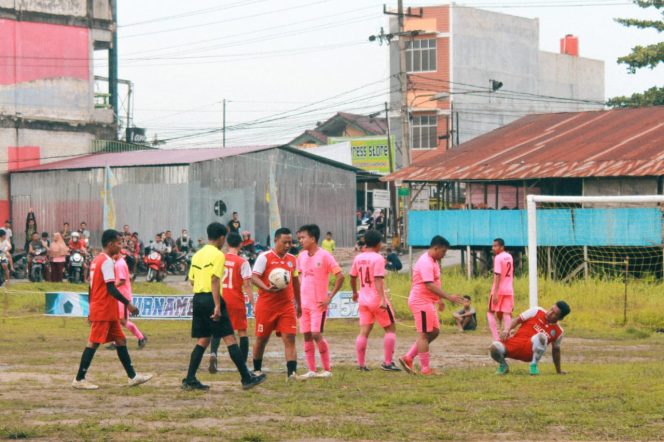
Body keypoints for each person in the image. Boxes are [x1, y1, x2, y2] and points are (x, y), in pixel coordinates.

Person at [183, 222, 265, 391]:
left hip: (198, 297)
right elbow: (214, 279)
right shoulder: (218, 255)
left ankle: (189, 378)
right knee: (229, 337)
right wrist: (217, 305)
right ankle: (246, 378)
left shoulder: (197, 254)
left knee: (204, 339)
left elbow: (191, 279)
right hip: (212, 299)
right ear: (221, 238)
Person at [71, 229, 153, 390]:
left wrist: (90, 308)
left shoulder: (96, 260)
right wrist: (128, 303)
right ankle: (79, 379)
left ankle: (133, 376)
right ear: (110, 244)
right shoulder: (107, 261)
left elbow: (91, 287)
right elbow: (111, 288)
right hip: (103, 308)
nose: (120, 246)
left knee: (121, 340)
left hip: (105, 309)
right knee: (93, 343)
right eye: (118, 242)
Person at [399, 236, 463, 375]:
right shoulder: (426, 262)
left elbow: (434, 283)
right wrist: (448, 297)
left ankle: (408, 357)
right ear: (436, 248)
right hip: (420, 301)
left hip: (428, 301)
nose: (444, 255)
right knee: (424, 334)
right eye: (443, 252)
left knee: (434, 332)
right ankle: (425, 368)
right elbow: (428, 284)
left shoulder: (433, 261)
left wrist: (439, 299)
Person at [251, 227, 302, 380]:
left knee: (290, 338)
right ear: (275, 240)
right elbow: (254, 277)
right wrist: (266, 288)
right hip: (266, 305)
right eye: (284, 242)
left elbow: (295, 282)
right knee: (262, 339)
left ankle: (291, 373)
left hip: (286, 306)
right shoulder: (264, 257)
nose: (287, 246)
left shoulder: (292, 259)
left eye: (290, 243)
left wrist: (299, 302)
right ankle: (257, 370)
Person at [296, 224, 344, 379]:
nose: (301, 241)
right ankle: (311, 370)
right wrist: (297, 300)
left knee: (316, 333)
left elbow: (340, 276)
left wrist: (329, 298)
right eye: (299, 238)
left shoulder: (324, 256)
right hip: (304, 304)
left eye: (303, 237)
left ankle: (327, 369)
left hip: (318, 304)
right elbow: (298, 278)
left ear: (313, 238)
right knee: (306, 335)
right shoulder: (301, 256)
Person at [349, 229, 401, 372]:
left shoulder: (359, 258)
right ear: (378, 243)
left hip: (363, 298)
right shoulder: (378, 258)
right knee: (390, 328)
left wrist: (354, 293)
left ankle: (361, 364)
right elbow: (378, 279)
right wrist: (383, 299)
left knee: (364, 331)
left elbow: (352, 277)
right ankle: (388, 363)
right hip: (376, 298)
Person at [209, 232, 254, 373]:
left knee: (217, 330)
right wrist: (253, 302)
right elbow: (247, 284)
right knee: (242, 331)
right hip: (236, 299)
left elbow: (213, 279)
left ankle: (213, 354)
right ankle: (243, 364)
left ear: (227, 244)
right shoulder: (243, 262)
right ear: (241, 244)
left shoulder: (219, 258)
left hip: (220, 298)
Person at [490, 301, 571, 376]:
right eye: (551, 309)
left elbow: (556, 351)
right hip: (514, 344)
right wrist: (506, 330)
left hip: (529, 352)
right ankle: (503, 366)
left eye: (555, 314)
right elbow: (517, 320)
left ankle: (533, 365)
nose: (550, 313)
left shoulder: (559, 332)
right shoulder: (537, 310)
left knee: (542, 337)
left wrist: (558, 371)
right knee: (494, 347)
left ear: (560, 318)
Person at [108, 251, 147, 350]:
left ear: (119, 253)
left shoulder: (120, 264)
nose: (112, 255)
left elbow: (122, 280)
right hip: (120, 296)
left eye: (114, 253)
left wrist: (111, 286)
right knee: (117, 319)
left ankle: (141, 337)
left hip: (123, 297)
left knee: (122, 320)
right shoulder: (118, 263)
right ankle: (116, 341)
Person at [487, 238, 514, 342]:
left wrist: (496, 293)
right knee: (506, 313)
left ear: (502, 247)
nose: (493, 248)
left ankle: (496, 338)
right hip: (509, 289)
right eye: (493, 246)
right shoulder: (509, 256)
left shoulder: (498, 258)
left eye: (495, 246)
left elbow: (498, 275)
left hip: (498, 290)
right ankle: (508, 337)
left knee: (490, 312)